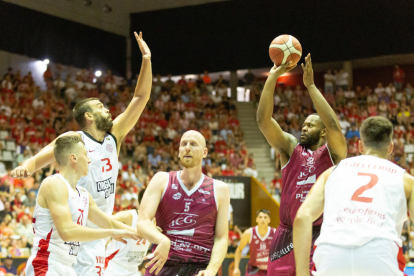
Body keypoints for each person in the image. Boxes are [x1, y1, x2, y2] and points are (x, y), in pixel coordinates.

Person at [12, 32, 152, 276]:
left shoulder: (114, 137)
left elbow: (140, 98)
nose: (106, 108)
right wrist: (27, 166)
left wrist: (147, 59)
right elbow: (41, 158)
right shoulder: (73, 141)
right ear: (88, 117)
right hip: (73, 228)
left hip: (97, 227)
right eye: (99, 106)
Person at [256, 55, 347, 276]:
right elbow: (262, 121)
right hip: (286, 235)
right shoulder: (290, 148)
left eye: (310, 125)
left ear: (323, 131)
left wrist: (311, 86)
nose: (303, 128)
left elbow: (333, 124)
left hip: (320, 234)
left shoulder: (333, 154)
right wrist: (272, 77)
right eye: (303, 125)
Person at [293, 116, 414, 276]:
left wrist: (302, 274)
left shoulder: (332, 172)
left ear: (360, 146)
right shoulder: (406, 180)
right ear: (391, 147)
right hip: (379, 256)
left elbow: (302, 218)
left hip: (331, 257)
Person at [25, 136, 139, 276]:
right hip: (46, 264)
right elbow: (67, 231)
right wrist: (111, 233)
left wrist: (146, 234)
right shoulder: (54, 184)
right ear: (74, 158)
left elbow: (109, 223)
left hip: (68, 266)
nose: (89, 160)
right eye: (86, 155)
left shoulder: (84, 194)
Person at [136, 130, 230, 276]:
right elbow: (142, 221)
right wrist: (162, 240)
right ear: (179, 152)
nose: (187, 147)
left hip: (201, 267)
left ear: (204, 152)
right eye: (183, 144)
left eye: (193, 144)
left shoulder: (220, 189)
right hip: (163, 264)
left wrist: (212, 269)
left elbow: (222, 237)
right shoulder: (161, 180)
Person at [105, 189, 151, 276]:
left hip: (133, 270)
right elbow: (104, 221)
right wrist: (112, 232)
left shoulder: (155, 221)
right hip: (113, 268)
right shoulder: (129, 216)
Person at [233, 210, 276, 276]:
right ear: (256, 219)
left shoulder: (275, 233)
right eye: (260, 217)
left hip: (269, 269)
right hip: (253, 269)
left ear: (269, 220)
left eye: (265, 217)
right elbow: (239, 249)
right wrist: (236, 268)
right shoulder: (249, 233)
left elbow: (282, 252)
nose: (262, 219)